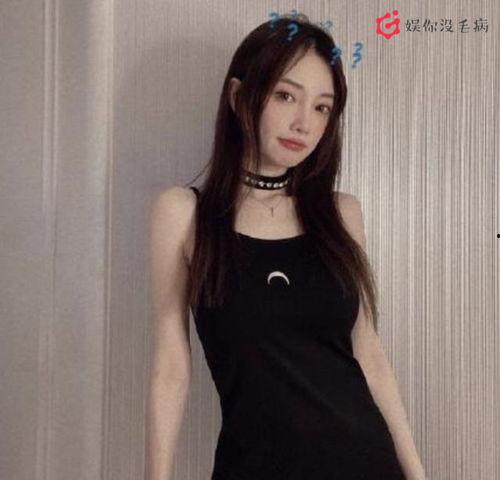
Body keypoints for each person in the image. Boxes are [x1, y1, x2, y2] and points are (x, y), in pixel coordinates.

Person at [145, 13, 427, 480]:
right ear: (239, 98)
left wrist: (417, 473)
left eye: (322, 107)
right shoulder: (183, 214)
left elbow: (369, 356)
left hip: (367, 464)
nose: (303, 123)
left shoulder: (340, 213)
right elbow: (171, 367)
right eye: (285, 96)